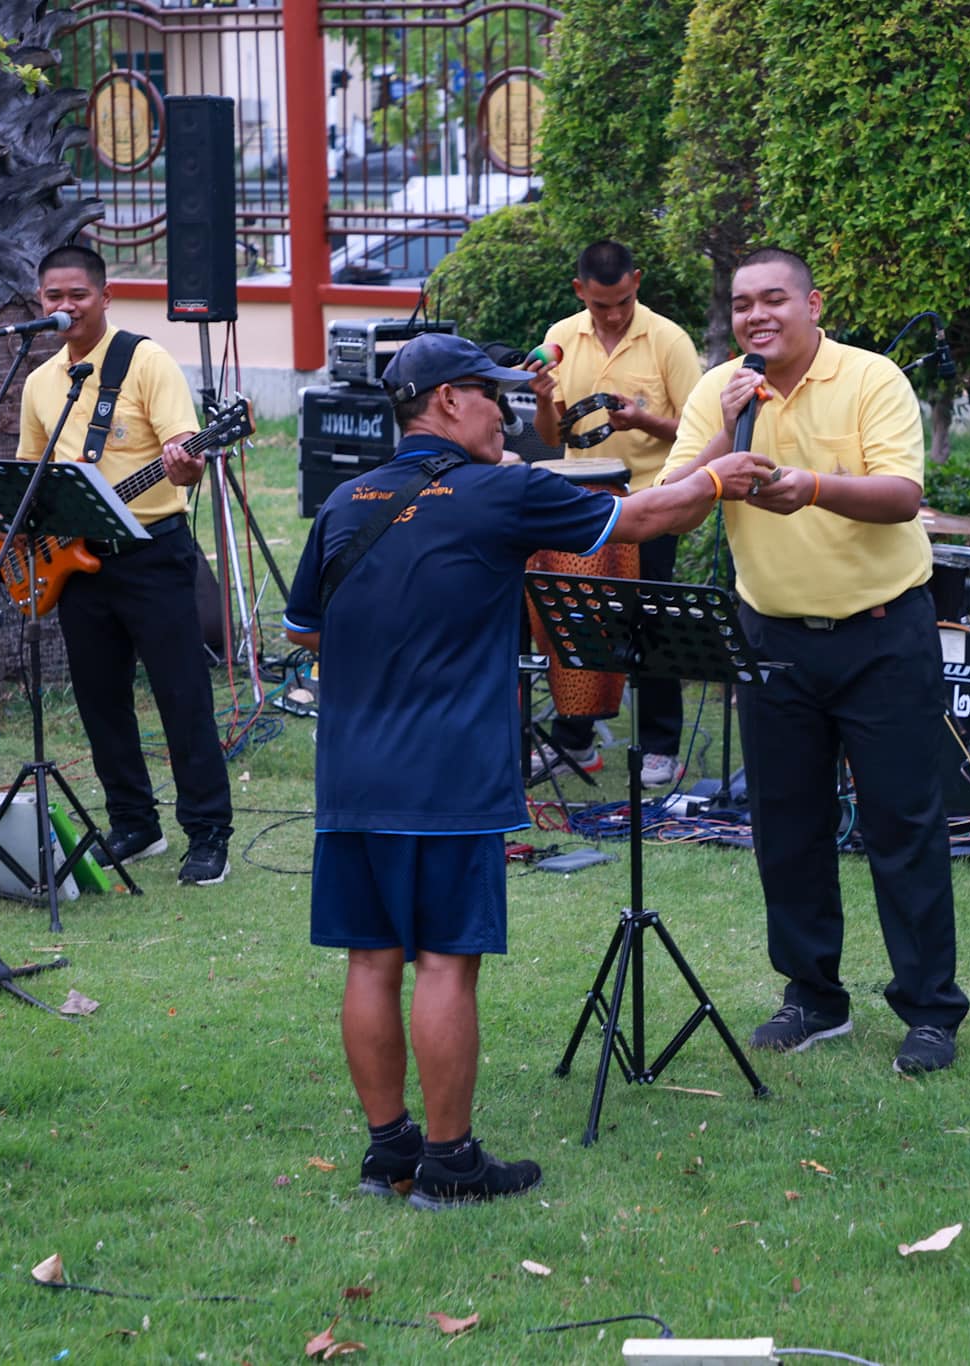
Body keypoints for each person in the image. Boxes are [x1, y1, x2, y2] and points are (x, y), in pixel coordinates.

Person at [282, 333, 773, 1207]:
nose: (509, 409)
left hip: (350, 775)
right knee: (442, 962)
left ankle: (388, 1152)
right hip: (448, 775)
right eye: (492, 393)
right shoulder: (499, 492)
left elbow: (308, 633)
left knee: (370, 960)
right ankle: (449, 1162)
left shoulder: (344, 501)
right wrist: (721, 475)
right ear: (444, 403)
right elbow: (651, 517)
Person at [659, 247, 968, 1076]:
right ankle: (812, 997)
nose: (756, 317)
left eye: (773, 301)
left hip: (881, 634)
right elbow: (669, 510)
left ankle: (931, 1010)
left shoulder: (871, 379)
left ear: (812, 304)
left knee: (902, 824)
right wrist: (721, 431)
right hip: (773, 640)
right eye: (742, 305)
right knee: (787, 827)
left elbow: (903, 495)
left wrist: (814, 487)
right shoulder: (717, 392)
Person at [14, 243, 233, 885]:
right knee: (100, 699)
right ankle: (134, 822)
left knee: (181, 694)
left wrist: (186, 462)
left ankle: (208, 830)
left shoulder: (145, 361)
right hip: (78, 564)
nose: (65, 306)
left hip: (151, 550)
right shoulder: (38, 382)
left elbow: (183, 450)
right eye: (54, 296)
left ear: (105, 297)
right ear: (40, 302)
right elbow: (32, 475)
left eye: (77, 294)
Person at [526, 240, 704, 787]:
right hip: (582, 501)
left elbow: (702, 433)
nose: (614, 313)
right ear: (581, 291)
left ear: (637, 283)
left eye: (623, 301)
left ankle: (660, 745)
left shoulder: (669, 339)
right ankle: (576, 739)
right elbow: (550, 436)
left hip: (652, 498)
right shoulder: (559, 338)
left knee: (650, 617)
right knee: (577, 617)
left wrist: (644, 423)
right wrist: (538, 398)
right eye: (602, 304)